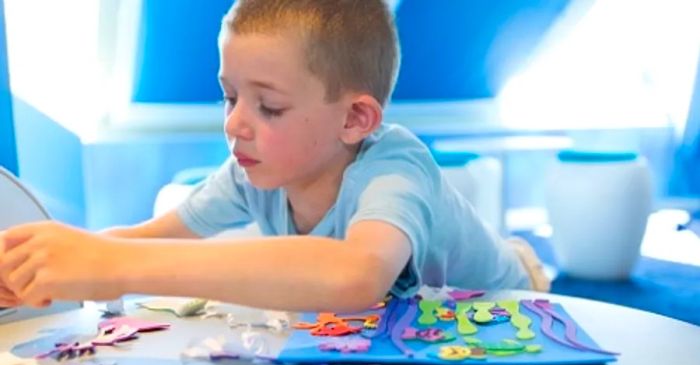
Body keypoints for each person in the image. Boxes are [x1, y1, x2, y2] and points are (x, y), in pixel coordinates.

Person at [0, 0, 549, 313]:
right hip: (416, 327)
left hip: (508, 304)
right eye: (230, 96)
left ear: (355, 120)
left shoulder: (394, 168)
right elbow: (149, 238)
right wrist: (39, 262)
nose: (235, 123)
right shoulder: (249, 171)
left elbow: (356, 277)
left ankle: (520, 256)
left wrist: (115, 268)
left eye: (269, 106)